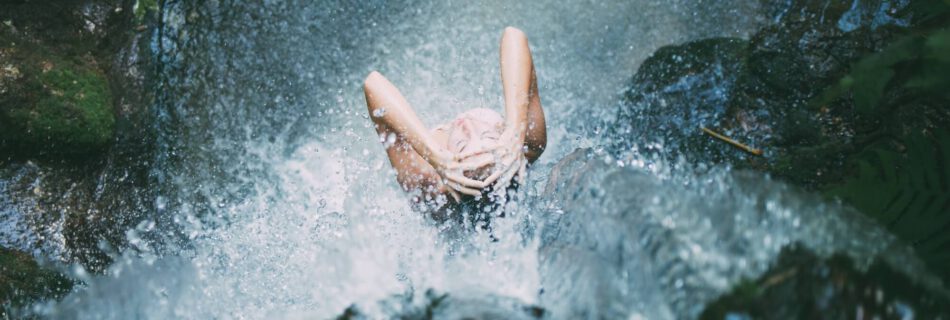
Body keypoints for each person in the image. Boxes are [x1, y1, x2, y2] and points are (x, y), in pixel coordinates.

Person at [362, 26, 546, 216]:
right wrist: (516, 129)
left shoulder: (427, 183)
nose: (466, 124)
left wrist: (434, 157)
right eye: (487, 134)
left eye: (461, 144)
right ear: (508, 144)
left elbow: (373, 83)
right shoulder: (527, 146)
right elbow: (513, 35)